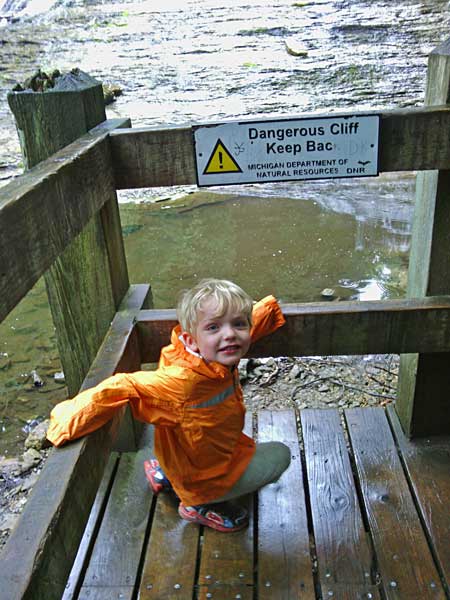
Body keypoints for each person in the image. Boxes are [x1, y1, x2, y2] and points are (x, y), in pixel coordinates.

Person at [47, 278, 290, 532]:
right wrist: (67, 421)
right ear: (192, 339)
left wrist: (270, 310)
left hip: (184, 455)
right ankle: (198, 505)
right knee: (280, 455)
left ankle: (167, 475)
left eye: (238, 324)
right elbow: (122, 385)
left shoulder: (196, 352)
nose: (229, 334)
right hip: (202, 476)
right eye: (214, 327)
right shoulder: (181, 383)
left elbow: (246, 327)